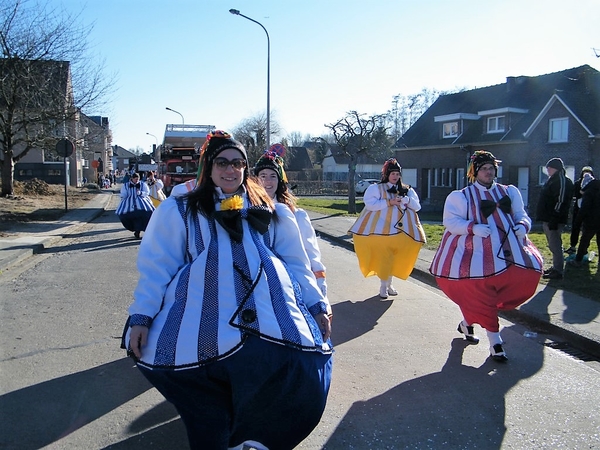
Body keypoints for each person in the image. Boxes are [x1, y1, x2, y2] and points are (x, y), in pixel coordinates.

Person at [122, 130, 332, 450]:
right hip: (201, 319)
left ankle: (254, 439)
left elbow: (296, 262)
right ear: (208, 166)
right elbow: (157, 268)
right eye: (222, 162)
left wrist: (317, 304)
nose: (230, 169)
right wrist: (142, 315)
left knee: (291, 371)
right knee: (209, 394)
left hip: (269, 316)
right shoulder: (179, 208)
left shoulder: (270, 208)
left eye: (238, 163)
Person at [430, 150, 543, 362]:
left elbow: (521, 214)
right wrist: (472, 228)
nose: (488, 172)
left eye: (491, 168)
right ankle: (495, 343)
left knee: (521, 278)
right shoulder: (461, 196)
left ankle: (467, 323)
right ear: (475, 172)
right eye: (484, 169)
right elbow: (451, 222)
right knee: (480, 292)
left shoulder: (509, 192)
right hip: (474, 256)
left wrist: (523, 225)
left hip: (507, 253)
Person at [254, 149, 331, 310]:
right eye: (263, 176)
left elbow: (310, 251)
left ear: (279, 180)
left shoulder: (296, 215)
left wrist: (319, 280)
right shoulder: (247, 211)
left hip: (290, 284)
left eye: (272, 176)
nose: (268, 181)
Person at [348, 157, 426, 299]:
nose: (395, 177)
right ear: (387, 175)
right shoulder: (376, 188)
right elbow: (370, 204)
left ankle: (389, 284)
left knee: (395, 258)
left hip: (402, 231)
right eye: (393, 174)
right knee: (385, 258)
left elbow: (417, 207)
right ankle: (383, 286)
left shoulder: (407, 190)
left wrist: (406, 200)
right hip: (380, 230)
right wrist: (389, 202)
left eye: (397, 174)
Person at [536, 157, 574, 280]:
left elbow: (561, 200)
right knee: (552, 245)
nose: (547, 170)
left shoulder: (562, 180)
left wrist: (554, 218)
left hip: (555, 219)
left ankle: (558, 270)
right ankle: (555, 267)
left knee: (555, 244)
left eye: (549, 168)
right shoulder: (552, 180)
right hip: (548, 218)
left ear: (555, 168)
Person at [567, 175, 600, 268]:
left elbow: (584, 209)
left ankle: (578, 260)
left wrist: (578, 221)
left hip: (591, 220)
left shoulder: (589, 192)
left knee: (584, 240)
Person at [115, 172, 155, 239]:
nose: (137, 180)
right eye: (135, 179)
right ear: (132, 179)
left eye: (138, 179)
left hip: (141, 202)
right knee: (127, 215)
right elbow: (123, 194)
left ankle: (140, 231)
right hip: (129, 202)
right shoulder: (126, 185)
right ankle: (136, 230)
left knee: (146, 213)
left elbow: (147, 192)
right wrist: (123, 198)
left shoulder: (143, 184)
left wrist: (141, 193)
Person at [566, 166, 595, 254]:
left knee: (587, 230)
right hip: (578, 208)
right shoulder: (578, 183)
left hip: (589, 210)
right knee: (575, 227)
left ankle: (584, 249)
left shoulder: (594, 183)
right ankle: (573, 245)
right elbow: (575, 194)